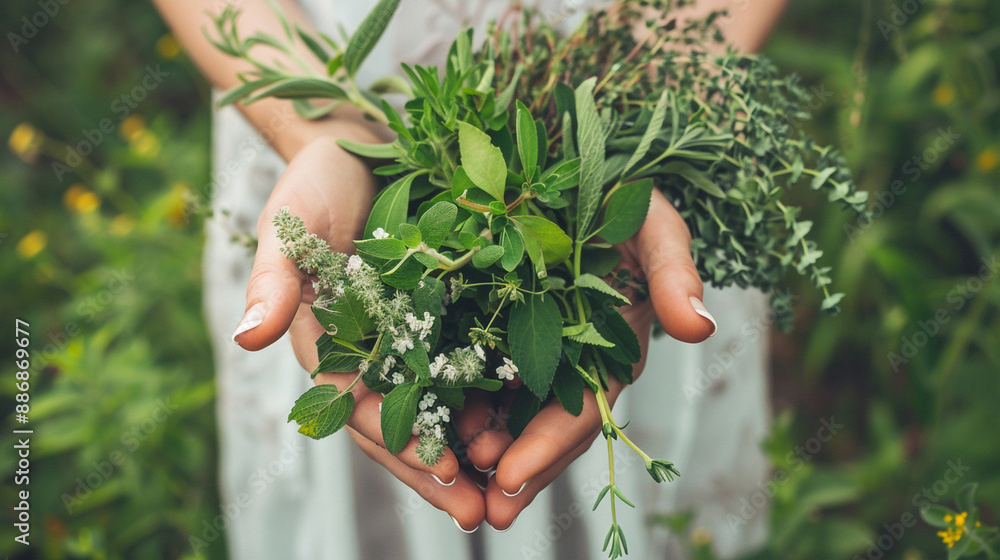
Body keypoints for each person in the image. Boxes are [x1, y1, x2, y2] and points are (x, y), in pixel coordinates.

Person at [153, 0, 787, 558]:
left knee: (584, 367)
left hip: (625, 77)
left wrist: (616, 133)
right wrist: (323, 130)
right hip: (311, 95)